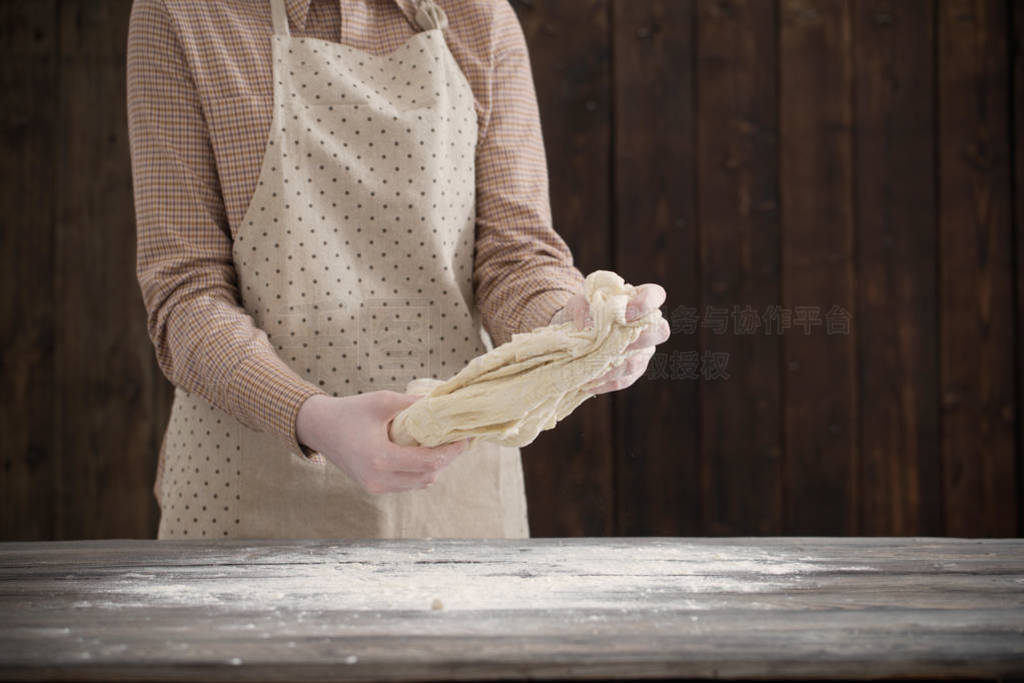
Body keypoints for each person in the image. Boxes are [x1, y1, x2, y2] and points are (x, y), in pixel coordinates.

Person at [126, 0, 670, 540]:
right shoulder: (183, 14)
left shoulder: (479, 16)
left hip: (454, 496)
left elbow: (515, 256)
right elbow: (187, 292)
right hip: (250, 501)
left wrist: (571, 327)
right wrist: (311, 417)